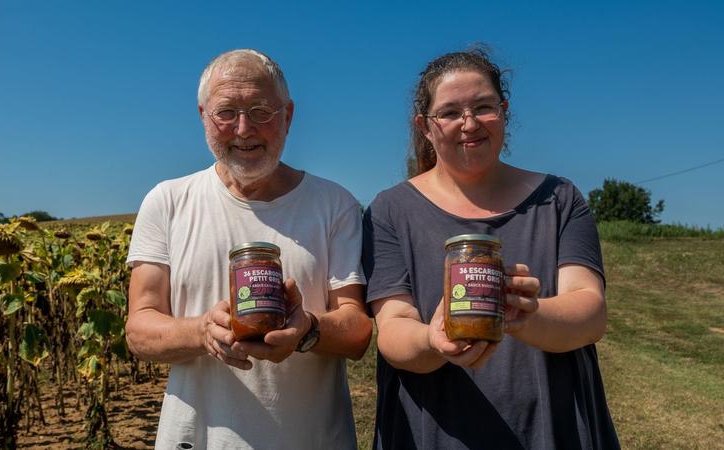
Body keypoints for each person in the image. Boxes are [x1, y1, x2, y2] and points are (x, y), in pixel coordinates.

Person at [361, 47, 620, 449]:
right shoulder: (390, 210)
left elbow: (590, 310)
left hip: (553, 428)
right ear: (425, 126)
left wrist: (524, 314)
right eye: (449, 112)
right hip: (437, 431)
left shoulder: (560, 198)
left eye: (483, 107)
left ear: (504, 111)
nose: (468, 124)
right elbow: (393, 327)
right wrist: (434, 340)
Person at [125, 49, 373, 450]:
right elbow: (139, 329)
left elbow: (358, 330)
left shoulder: (335, 204)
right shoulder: (167, 201)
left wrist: (306, 329)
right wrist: (202, 330)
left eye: (261, 111)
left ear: (288, 116)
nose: (244, 129)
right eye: (226, 112)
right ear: (203, 115)